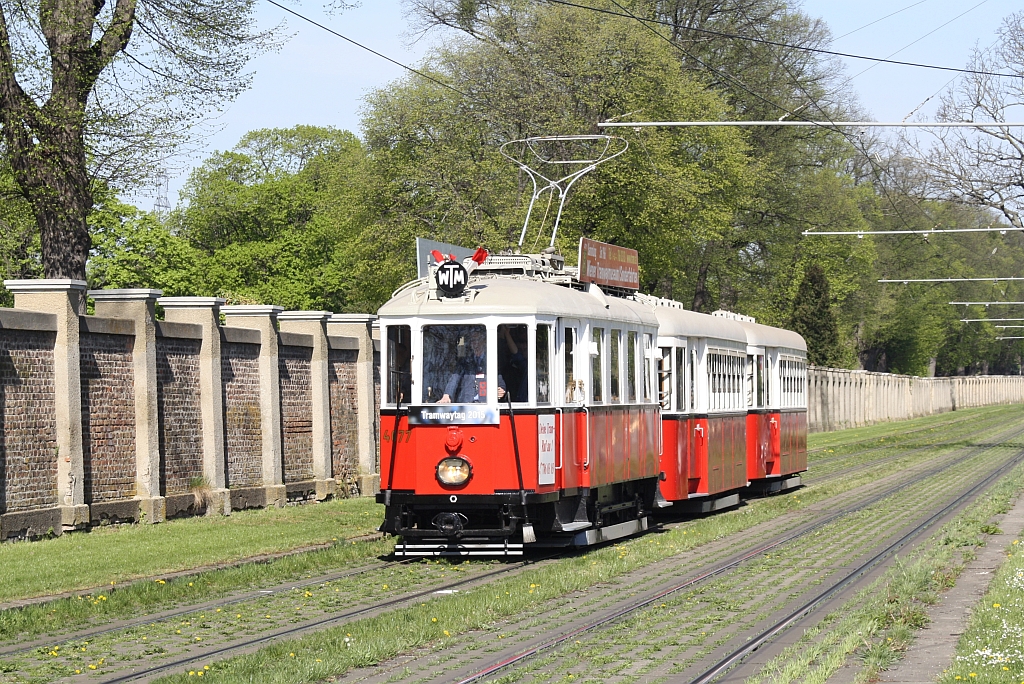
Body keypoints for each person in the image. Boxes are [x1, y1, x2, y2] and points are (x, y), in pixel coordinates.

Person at [438, 329, 506, 403]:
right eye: (473, 341)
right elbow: (454, 378)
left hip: (485, 405)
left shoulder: (491, 361)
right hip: (466, 405)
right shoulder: (464, 361)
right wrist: (447, 395)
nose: (476, 344)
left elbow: (499, 379)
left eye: (478, 340)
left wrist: (501, 389)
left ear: (484, 342)